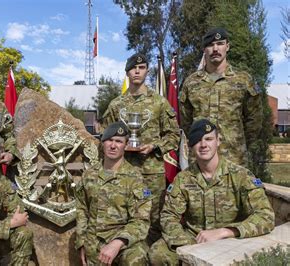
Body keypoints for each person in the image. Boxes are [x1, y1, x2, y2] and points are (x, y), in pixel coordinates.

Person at [149, 119, 275, 265]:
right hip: (193, 238)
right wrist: (188, 245)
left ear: (218, 141)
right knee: (157, 253)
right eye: (198, 140)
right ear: (190, 145)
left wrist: (226, 231)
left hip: (230, 240)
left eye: (209, 139)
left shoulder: (240, 176)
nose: (203, 145)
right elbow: (169, 216)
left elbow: (265, 215)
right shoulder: (183, 179)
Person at [102, 53, 180, 245]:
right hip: (123, 171)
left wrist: (155, 146)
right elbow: (105, 137)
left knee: (154, 220)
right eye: (133, 68)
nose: (137, 71)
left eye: (142, 67)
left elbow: (174, 135)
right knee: (123, 215)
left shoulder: (159, 103)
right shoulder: (116, 105)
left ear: (147, 71)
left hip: (151, 172)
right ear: (127, 72)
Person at [180, 27, 263, 167]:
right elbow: (186, 121)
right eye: (210, 45)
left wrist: (237, 142)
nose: (215, 49)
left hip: (234, 159)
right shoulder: (191, 82)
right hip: (200, 160)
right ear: (204, 50)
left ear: (227, 46)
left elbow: (254, 120)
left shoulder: (243, 80)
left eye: (220, 44)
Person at [75, 122, 152, 265]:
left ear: (126, 145)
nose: (113, 145)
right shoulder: (89, 175)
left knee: (137, 257)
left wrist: (117, 243)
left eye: (119, 141)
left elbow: (141, 220)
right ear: (103, 143)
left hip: (124, 244)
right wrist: (81, 242)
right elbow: (81, 210)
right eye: (109, 140)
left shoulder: (135, 178)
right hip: (94, 243)